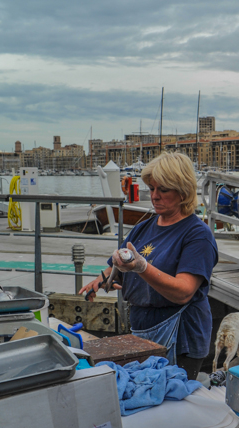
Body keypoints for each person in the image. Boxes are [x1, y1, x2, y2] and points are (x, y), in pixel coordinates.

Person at [80, 152, 218, 381]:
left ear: (183, 191)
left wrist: (141, 267)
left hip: (181, 337)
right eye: (152, 188)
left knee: (173, 404)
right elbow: (119, 266)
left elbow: (184, 292)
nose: (154, 196)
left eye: (163, 190)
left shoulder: (197, 235)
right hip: (142, 331)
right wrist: (101, 279)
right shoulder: (144, 227)